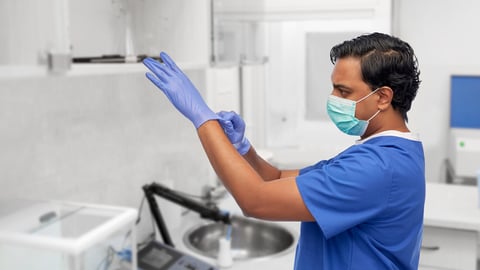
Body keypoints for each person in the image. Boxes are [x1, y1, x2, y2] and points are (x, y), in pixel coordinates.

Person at [142, 32, 424, 270]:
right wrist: (242, 149)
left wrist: (202, 118)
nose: (332, 99)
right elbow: (276, 178)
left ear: (383, 97)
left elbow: (255, 200)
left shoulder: (377, 166)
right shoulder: (385, 151)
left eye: (343, 91)